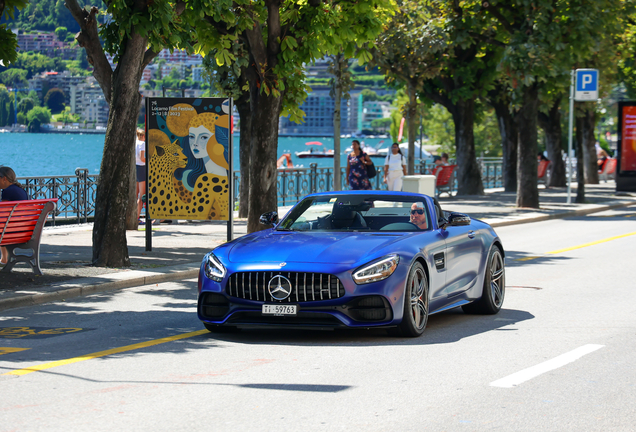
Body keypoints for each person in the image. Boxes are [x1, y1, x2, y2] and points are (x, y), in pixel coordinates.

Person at [0, 166, 29, 264]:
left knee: (2, 228)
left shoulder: (7, 191)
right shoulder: (20, 190)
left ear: (4, 179)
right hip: (23, 230)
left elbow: (2, 212)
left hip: (11, 231)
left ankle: (4, 258)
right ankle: (4, 259)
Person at [135, 128, 147, 224]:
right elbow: (143, 158)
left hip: (135, 168)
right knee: (142, 196)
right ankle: (137, 218)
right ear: (143, 136)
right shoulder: (142, 144)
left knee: (135, 195)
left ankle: (132, 217)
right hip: (142, 169)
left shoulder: (135, 143)